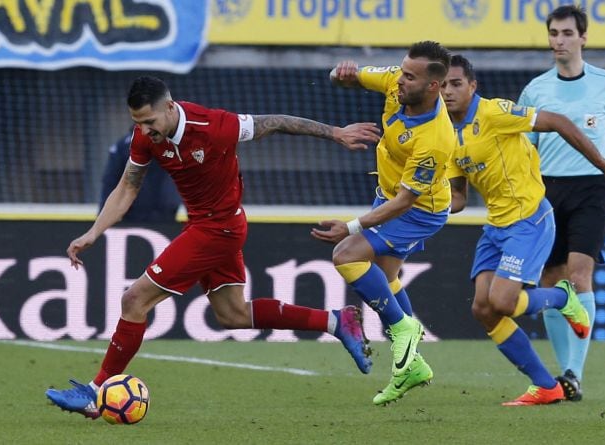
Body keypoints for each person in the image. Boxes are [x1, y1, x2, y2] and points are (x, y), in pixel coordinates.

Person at [45, 76, 382, 419]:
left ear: (170, 108)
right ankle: (336, 322)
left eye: (149, 121)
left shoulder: (215, 126)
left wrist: (336, 132)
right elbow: (127, 187)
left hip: (218, 228)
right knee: (232, 314)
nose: (145, 131)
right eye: (137, 123)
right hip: (206, 224)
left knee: (134, 299)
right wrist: (93, 232)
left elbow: (278, 122)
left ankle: (94, 392)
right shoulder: (145, 137)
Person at [441, 55, 605, 405]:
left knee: (503, 300)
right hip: (496, 226)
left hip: (529, 219)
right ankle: (547, 385)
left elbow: (559, 121)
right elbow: (456, 198)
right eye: (441, 85)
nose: (447, 91)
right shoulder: (443, 133)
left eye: (455, 83)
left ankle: (565, 298)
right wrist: (415, 198)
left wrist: (603, 164)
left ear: (472, 86)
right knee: (483, 309)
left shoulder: (496, 112)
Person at [312, 41, 454, 406]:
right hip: (388, 195)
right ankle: (412, 365)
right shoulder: (395, 80)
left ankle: (404, 328)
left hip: (419, 210)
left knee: (347, 255)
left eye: (410, 76)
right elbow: (349, 78)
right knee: (386, 277)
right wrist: (340, 73)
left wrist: (352, 226)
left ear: (433, 86)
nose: (400, 80)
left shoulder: (436, 138)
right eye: (402, 71)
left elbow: (407, 202)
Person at [517, 4, 605, 401]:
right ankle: (562, 369)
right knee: (550, 280)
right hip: (546, 191)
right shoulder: (535, 89)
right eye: (554, 33)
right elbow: (524, 148)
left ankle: (574, 373)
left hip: (591, 188)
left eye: (567, 33)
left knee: (579, 276)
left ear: (583, 37)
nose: (559, 41)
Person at [99, 126, 182, 223]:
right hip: (134, 217)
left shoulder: (171, 145)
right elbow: (110, 181)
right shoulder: (123, 147)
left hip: (164, 215)